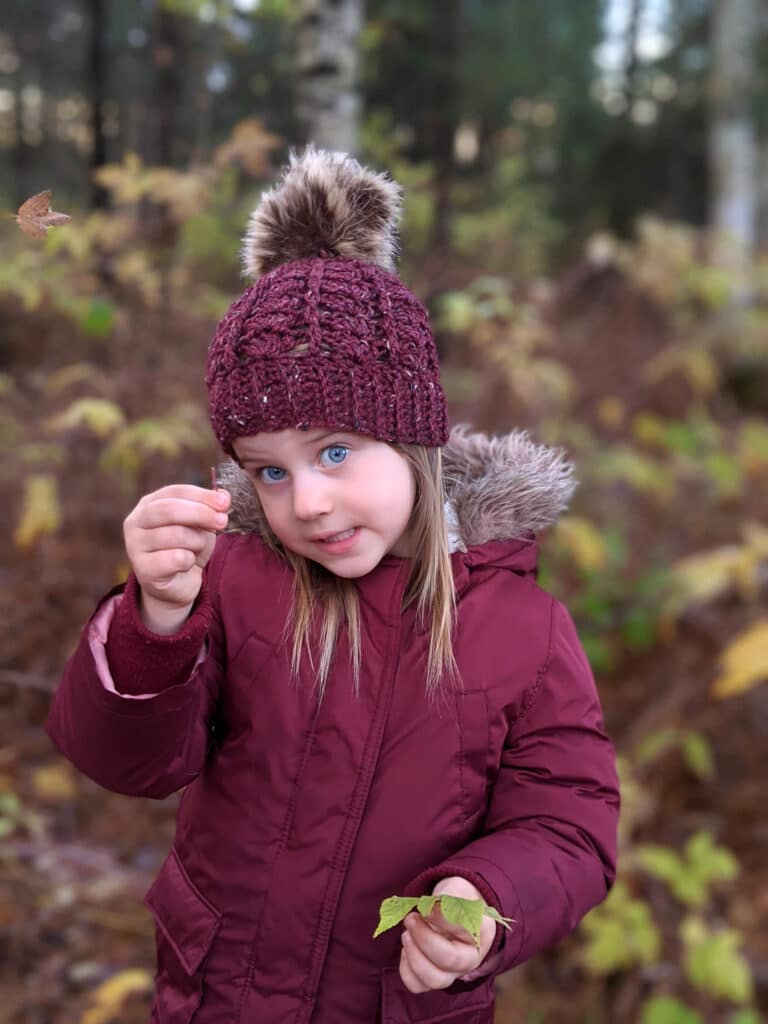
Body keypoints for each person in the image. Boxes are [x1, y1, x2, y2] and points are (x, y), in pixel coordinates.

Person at [46, 148, 620, 1024]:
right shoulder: (236, 583)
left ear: (413, 436)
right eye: (268, 473)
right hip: (219, 1000)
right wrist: (154, 620)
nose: (306, 502)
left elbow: (571, 821)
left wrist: (486, 895)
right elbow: (128, 762)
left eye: (336, 451)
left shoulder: (525, 629)